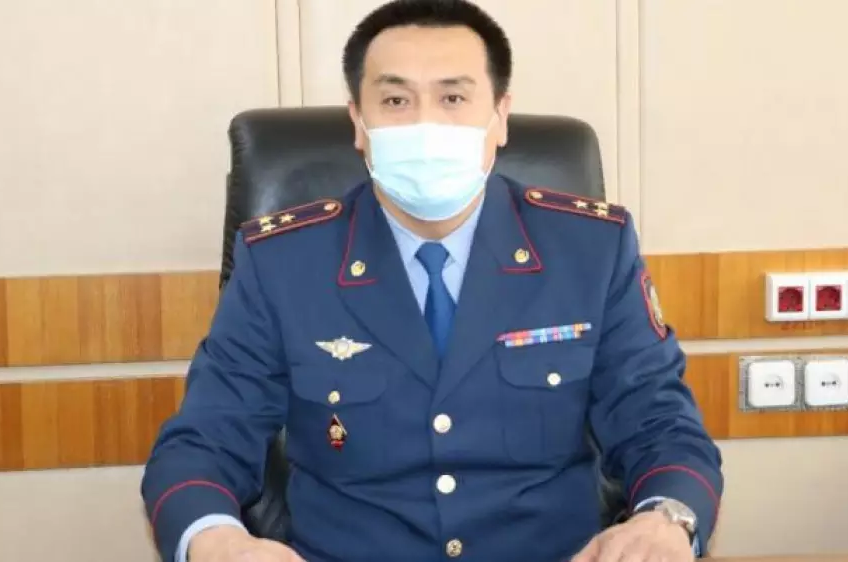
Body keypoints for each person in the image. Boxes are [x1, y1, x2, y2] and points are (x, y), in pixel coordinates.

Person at [141, 1, 724, 561]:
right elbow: (204, 441)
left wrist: (666, 518)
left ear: (499, 116)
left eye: (453, 97)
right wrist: (216, 539)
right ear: (359, 122)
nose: (425, 123)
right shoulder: (283, 262)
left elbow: (660, 424)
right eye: (395, 100)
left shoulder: (590, 249)